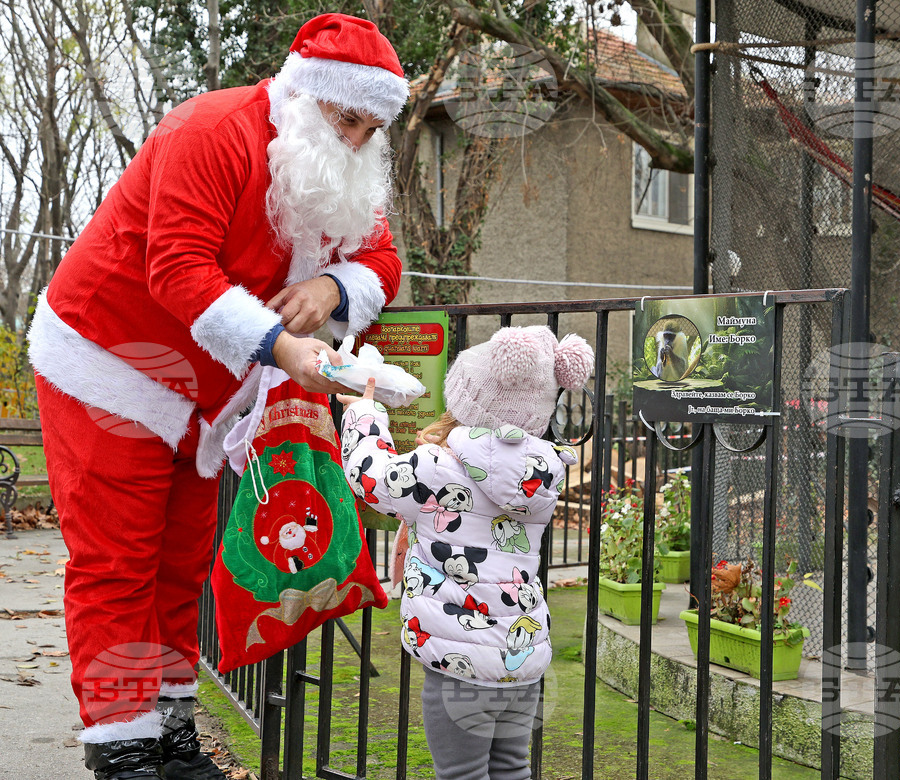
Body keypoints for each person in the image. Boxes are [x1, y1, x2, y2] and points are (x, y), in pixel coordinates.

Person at [26, 13, 409, 780]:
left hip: (201, 394)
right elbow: (177, 268)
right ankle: (121, 747)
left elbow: (383, 260)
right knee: (117, 562)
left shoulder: (339, 173)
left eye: (372, 127)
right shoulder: (208, 129)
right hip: (107, 358)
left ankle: (168, 732)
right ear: (306, 98)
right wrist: (280, 347)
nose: (358, 141)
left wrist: (336, 283)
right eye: (347, 119)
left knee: (179, 562)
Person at [337, 326, 595, 780]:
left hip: (460, 666)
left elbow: (371, 477)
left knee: (461, 773)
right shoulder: (544, 474)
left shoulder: (435, 466)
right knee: (513, 769)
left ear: (465, 400)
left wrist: (364, 415)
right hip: (523, 660)